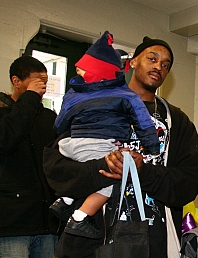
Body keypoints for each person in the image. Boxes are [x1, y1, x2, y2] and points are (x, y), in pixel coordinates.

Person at [43, 36, 198, 258]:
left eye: (166, 64)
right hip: (84, 253)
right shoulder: (92, 102)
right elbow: (55, 166)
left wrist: (144, 171)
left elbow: (188, 183)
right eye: (152, 59)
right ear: (132, 63)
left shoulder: (176, 121)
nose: (159, 67)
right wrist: (102, 169)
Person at [50, 31, 160, 239]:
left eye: (82, 68)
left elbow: (60, 122)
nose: (78, 70)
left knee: (87, 173)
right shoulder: (125, 95)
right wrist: (152, 145)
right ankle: (81, 217)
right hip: (98, 145)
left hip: (69, 145)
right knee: (110, 183)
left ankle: (64, 200)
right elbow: (143, 123)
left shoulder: (74, 94)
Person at [0, 56, 58, 258]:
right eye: (37, 81)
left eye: (45, 82)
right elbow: (7, 139)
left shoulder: (47, 118)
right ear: (16, 81)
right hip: (12, 219)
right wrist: (29, 100)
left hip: (45, 218)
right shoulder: (5, 114)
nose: (43, 86)